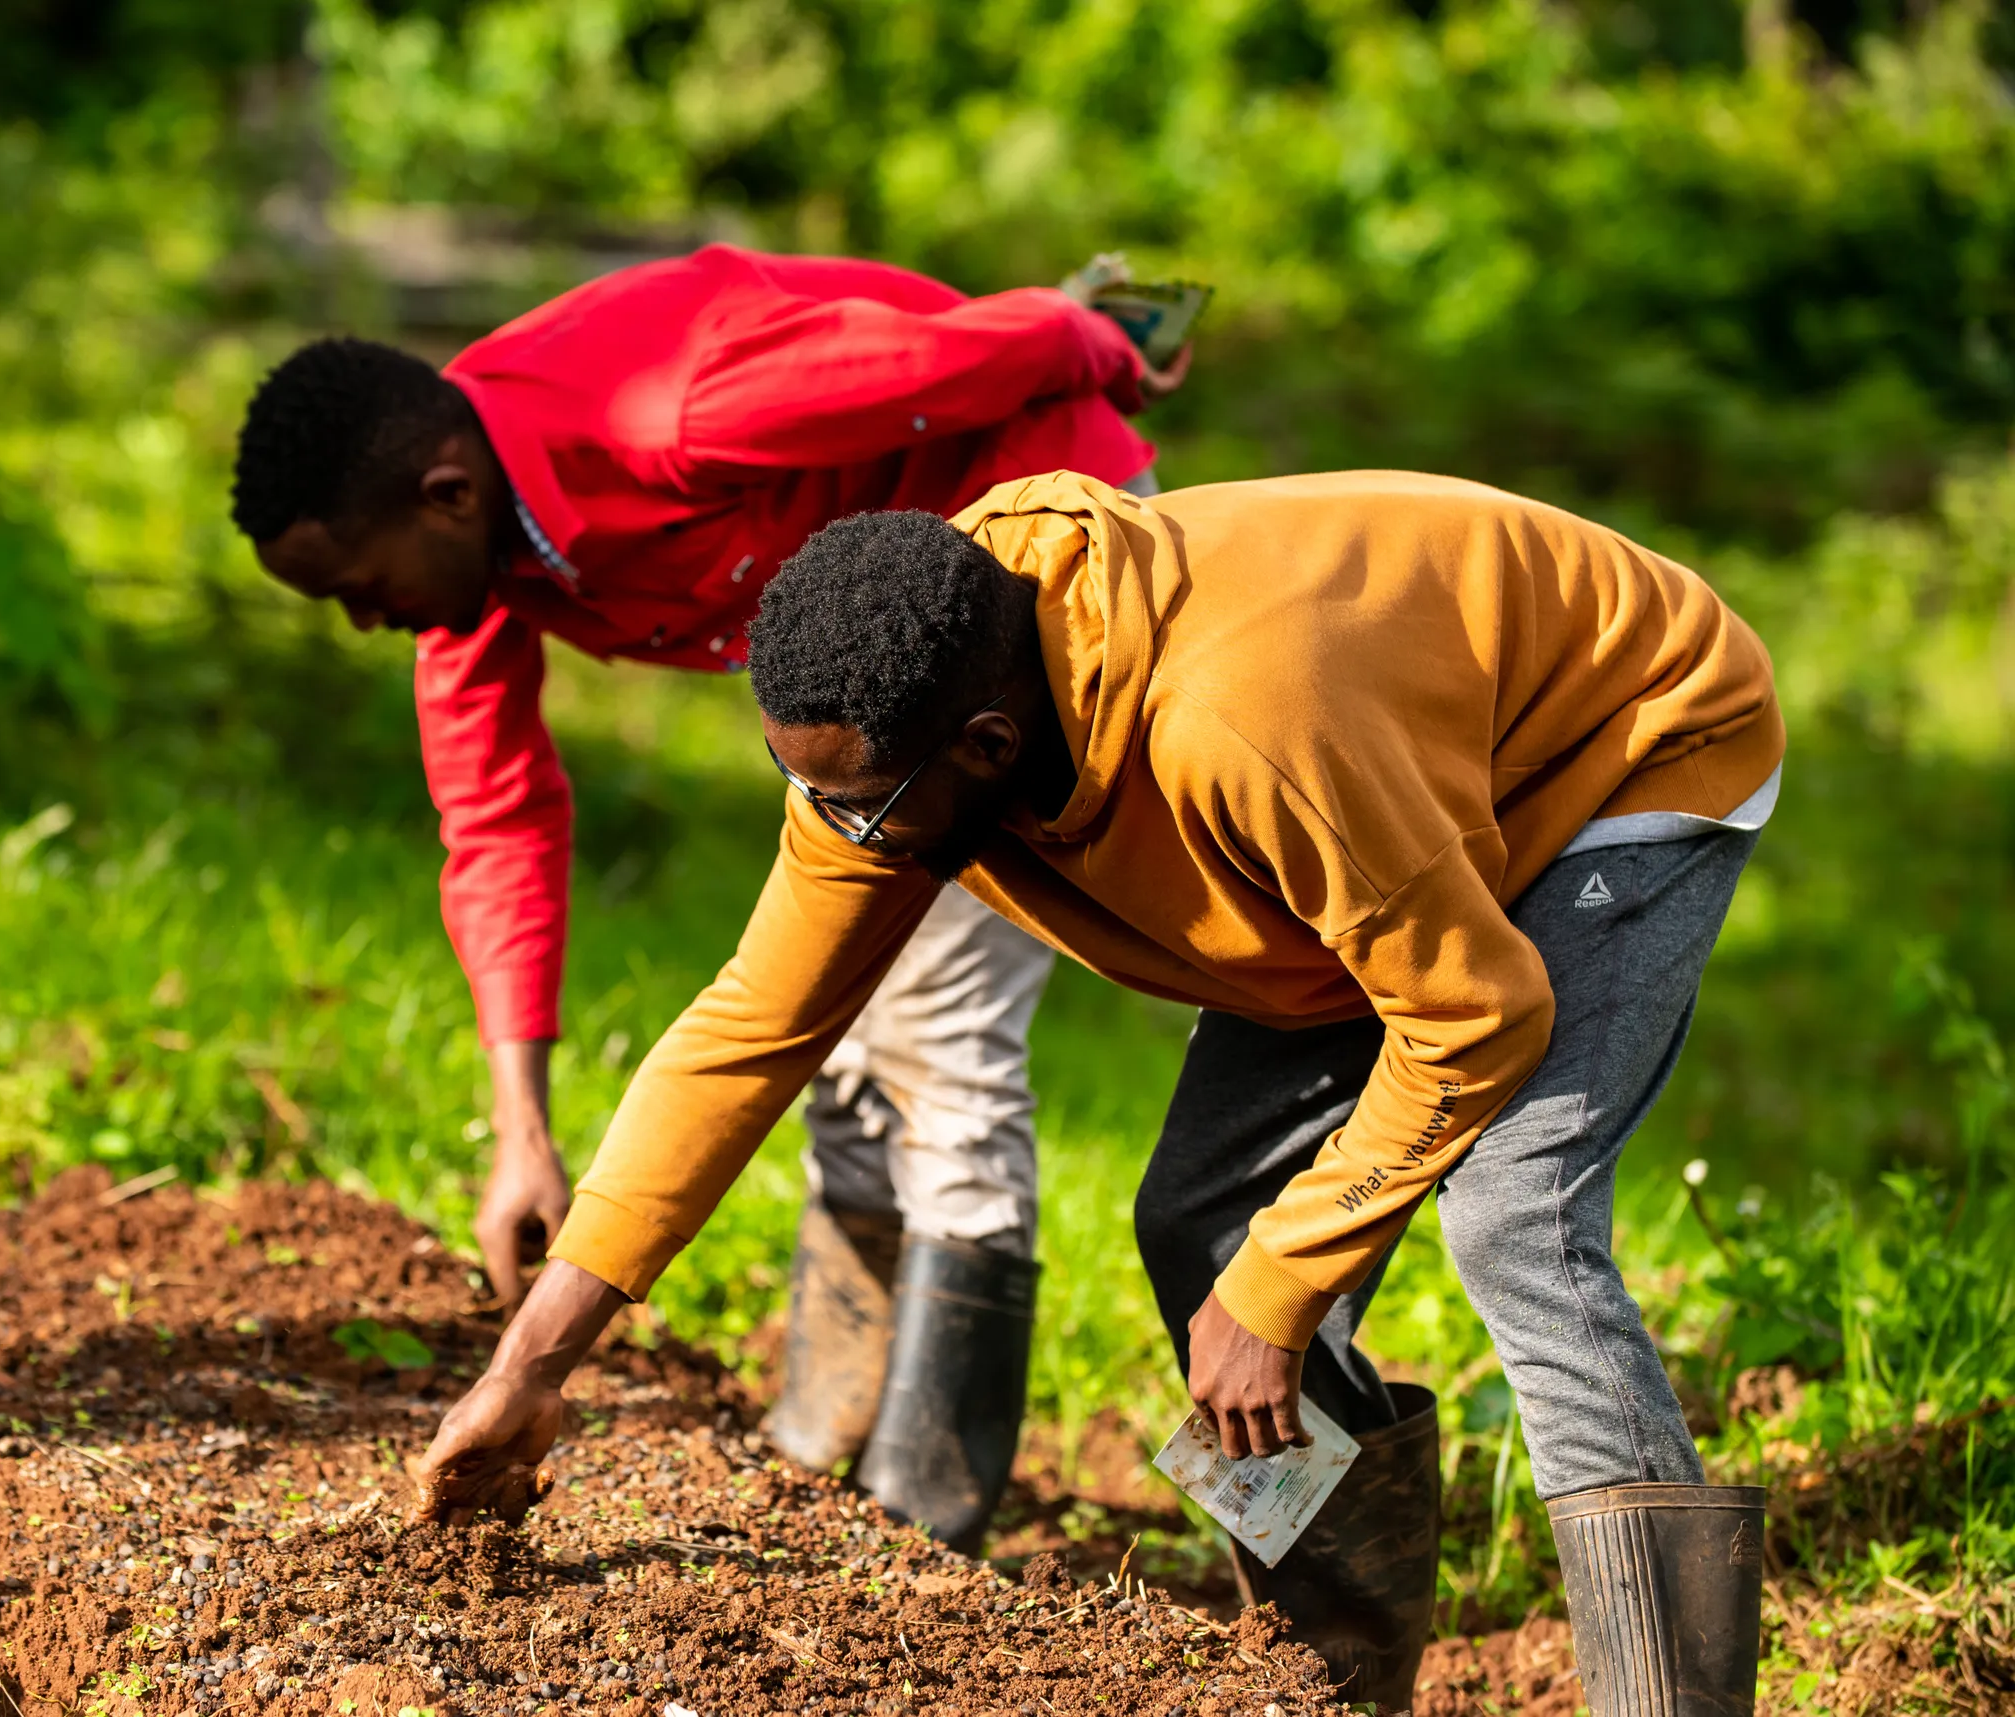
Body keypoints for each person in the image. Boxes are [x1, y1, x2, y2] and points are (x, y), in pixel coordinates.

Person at [413, 470, 1784, 1715]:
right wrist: (531, 1365)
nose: (835, 829)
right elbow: (747, 1033)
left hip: (1619, 741)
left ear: (991, 748)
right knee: (1203, 1233)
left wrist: (1285, 1283)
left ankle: (1669, 1704)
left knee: (1515, 1223)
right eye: (803, 784)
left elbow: (1479, 1013)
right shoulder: (897, 730)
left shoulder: (1237, 729)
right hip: (1383, 835)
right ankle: (1334, 1678)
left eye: (863, 804)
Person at [231, 244, 1192, 1546]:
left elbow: (974, 357)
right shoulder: (472, 557)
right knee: (839, 1034)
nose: (363, 625)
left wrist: (1108, 344)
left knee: (937, 1032)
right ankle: (826, 1443)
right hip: (857, 668)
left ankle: (928, 1506)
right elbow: (497, 822)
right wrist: (521, 1127)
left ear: (445, 493)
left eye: (360, 591)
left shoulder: (675, 409)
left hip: (1003, 600)